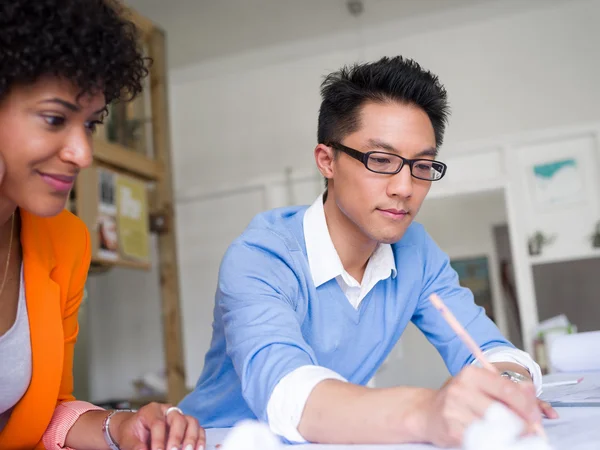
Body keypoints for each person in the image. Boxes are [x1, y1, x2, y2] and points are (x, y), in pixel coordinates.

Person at [179, 56, 557, 447]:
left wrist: (507, 386)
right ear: (327, 160)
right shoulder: (262, 256)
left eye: (422, 166)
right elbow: (286, 394)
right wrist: (425, 411)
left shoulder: (416, 252)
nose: (405, 188)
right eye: (381, 160)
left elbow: (489, 348)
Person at [0, 0, 204, 449]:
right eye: (55, 119)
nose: (83, 154)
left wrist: (120, 428)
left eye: (90, 124)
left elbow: (44, 408)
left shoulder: (65, 240)